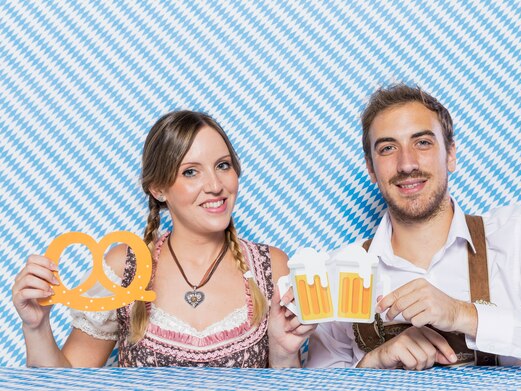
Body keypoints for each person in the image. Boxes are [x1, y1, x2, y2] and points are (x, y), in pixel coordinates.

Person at [307, 84, 521, 373]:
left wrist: (463, 315)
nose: (406, 164)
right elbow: (316, 384)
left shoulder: (513, 235)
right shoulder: (339, 271)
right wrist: (372, 364)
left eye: (423, 142)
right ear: (371, 169)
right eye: (388, 148)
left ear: (450, 154)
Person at [12, 110, 314, 367]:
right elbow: (62, 384)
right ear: (158, 188)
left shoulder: (272, 266)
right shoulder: (122, 267)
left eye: (223, 165)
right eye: (191, 172)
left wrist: (283, 353)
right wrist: (36, 326)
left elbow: (286, 378)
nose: (215, 185)